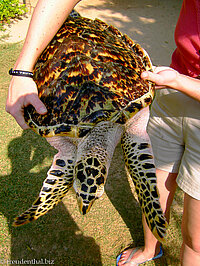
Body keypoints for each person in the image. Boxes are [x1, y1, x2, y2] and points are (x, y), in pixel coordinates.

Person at [6, 0, 200, 265]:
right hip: (171, 92)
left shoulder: (126, 131)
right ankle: (150, 247)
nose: (86, 201)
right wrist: (22, 70)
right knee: (155, 181)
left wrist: (179, 81)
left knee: (182, 223)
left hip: (177, 86)